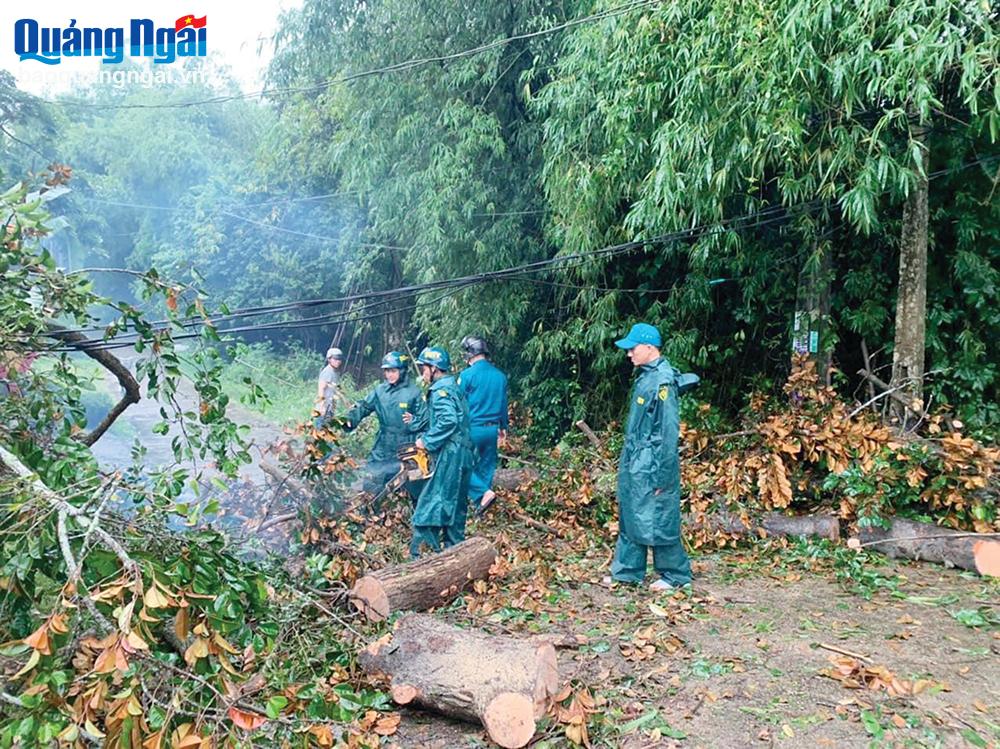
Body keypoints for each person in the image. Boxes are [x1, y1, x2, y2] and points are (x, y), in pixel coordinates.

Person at [606, 322, 694, 592]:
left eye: (632, 349)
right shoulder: (646, 376)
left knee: (660, 515)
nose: (628, 354)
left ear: (648, 347)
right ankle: (627, 572)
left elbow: (668, 432)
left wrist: (664, 475)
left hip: (654, 462)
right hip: (636, 459)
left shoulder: (662, 381)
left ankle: (674, 574)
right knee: (631, 512)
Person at [411, 346, 473, 558]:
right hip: (464, 454)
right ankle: (455, 557)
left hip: (450, 454)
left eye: (423, 368)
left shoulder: (439, 390)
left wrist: (425, 442)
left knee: (430, 505)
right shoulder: (454, 386)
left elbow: (449, 420)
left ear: (434, 368)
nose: (422, 373)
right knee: (455, 508)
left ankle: (419, 562)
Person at [343, 352, 428, 495]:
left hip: (406, 443)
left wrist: (414, 421)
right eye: (387, 371)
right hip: (383, 441)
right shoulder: (380, 391)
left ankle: (411, 512)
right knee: (373, 476)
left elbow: (425, 419)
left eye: (393, 371)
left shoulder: (414, 392)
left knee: (411, 482)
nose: (390, 375)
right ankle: (371, 509)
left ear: (402, 371)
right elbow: (364, 406)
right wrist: (349, 420)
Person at [458, 335, 509, 514]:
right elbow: (503, 404)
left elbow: (459, 403)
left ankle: (483, 494)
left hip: (473, 428)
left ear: (470, 354)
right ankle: (482, 504)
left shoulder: (466, 375)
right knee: (486, 466)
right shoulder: (500, 376)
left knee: (462, 465)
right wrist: (503, 428)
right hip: (492, 429)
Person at [315, 347, 345, 424]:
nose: (338, 361)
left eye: (339, 359)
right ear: (329, 359)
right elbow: (321, 389)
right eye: (335, 359)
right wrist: (322, 406)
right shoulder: (327, 372)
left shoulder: (336, 372)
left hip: (331, 406)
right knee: (321, 431)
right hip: (324, 407)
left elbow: (336, 388)